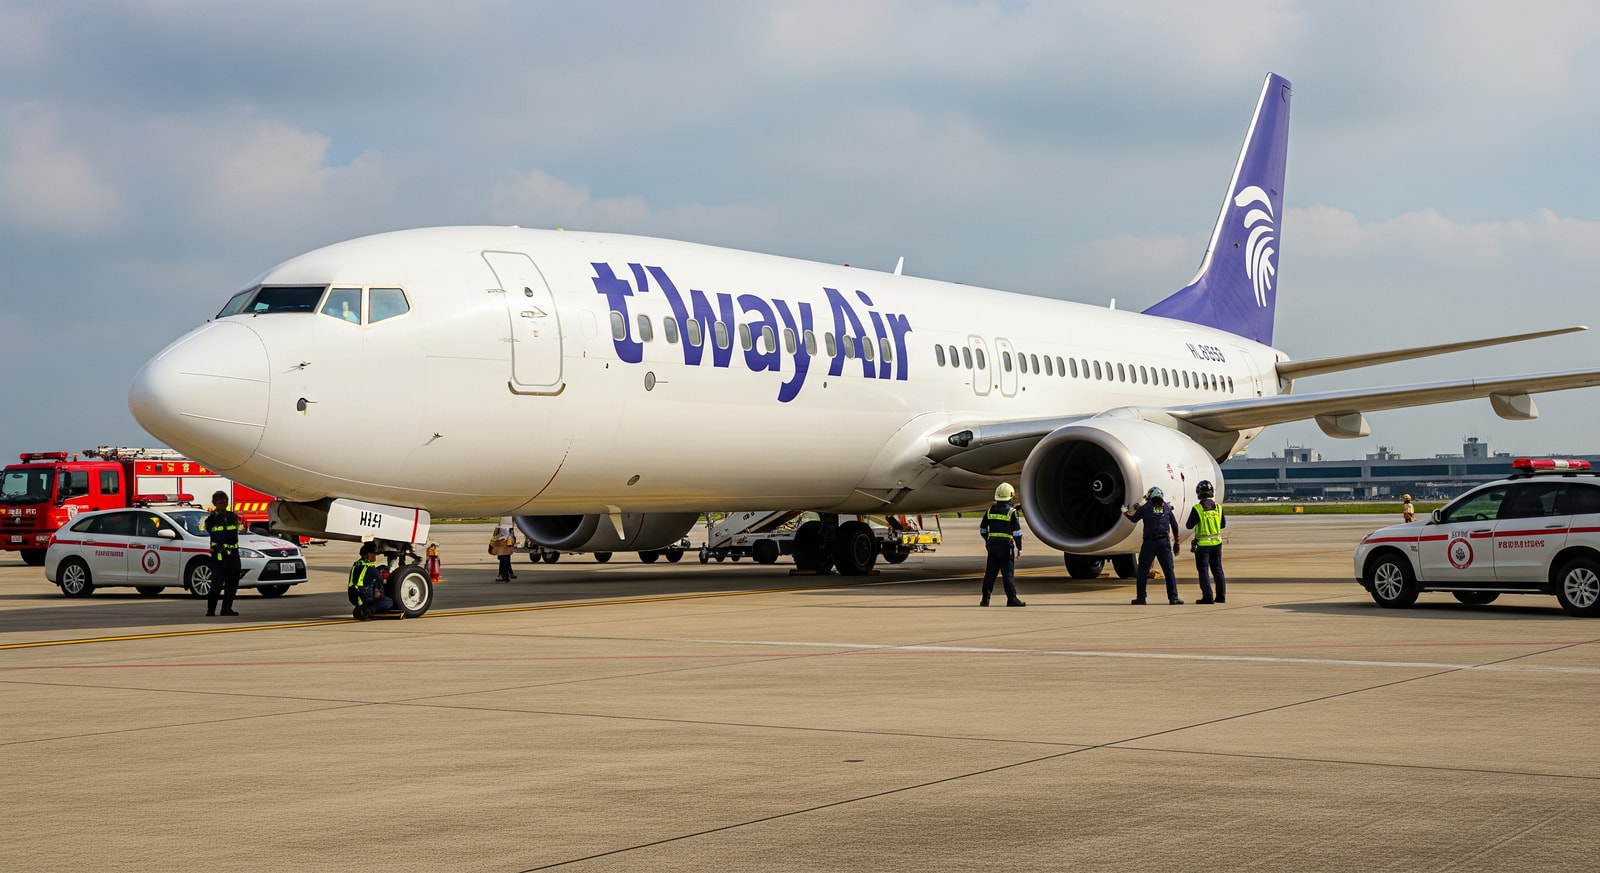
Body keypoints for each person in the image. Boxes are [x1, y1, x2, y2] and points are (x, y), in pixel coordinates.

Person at [1125, 486, 1182, 605]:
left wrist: (1125, 512)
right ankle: (1173, 598)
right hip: (1164, 544)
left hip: (1149, 543)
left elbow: (1133, 518)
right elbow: (1175, 525)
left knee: (1142, 571)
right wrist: (1177, 543)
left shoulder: (1146, 508)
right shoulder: (1166, 507)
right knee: (1169, 571)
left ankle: (1141, 598)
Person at [977, 482, 1026, 607]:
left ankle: (985, 599)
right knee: (1007, 574)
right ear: (1011, 496)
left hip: (992, 546)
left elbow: (982, 529)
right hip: (1005, 547)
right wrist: (1019, 547)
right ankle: (1012, 599)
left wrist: (988, 540)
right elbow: (1017, 532)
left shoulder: (989, 511)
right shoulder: (1011, 512)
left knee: (990, 573)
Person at [201, 490, 241, 617]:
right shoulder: (211, 519)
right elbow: (212, 534)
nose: (223, 505)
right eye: (220, 503)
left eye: (225, 502)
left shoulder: (233, 517)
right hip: (219, 555)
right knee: (216, 585)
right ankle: (211, 609)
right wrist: (219, 547)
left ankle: (226, 609)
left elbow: (239, 530)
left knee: (232, 584)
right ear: (215, 504)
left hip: (234, 555)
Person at [1185, 479, 1226, 604]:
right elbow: (1223, 525)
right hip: (1217, 543)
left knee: (1203, 571)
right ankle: (1221, 596)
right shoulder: (1218, 507)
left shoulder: (1197, 508)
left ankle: (1207, 597)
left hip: (1203, 545)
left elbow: (1188, 525)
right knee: (1217, 569)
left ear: (1198, 493)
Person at [349, 541, 395, 620]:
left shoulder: (356, 564)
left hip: (353, 596)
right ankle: (367, 610)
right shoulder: (371, 569)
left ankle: (360, 608)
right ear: (367, 555)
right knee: (388, 602)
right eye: (373, 553)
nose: (375, 555)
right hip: (364, 597)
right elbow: (380, 580)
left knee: (381, 568)